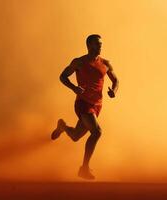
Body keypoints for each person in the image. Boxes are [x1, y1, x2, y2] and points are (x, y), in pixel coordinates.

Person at [51, 34, 119, 180]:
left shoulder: (106, 63)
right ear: (89, 45)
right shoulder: (79, 62)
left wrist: (114, 90)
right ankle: (84, 168)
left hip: (97, 105)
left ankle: (62, 127)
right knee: (97, 132)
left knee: (75, 136)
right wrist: (74, 88)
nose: (100, 46)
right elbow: (63, 76)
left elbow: (116, 80)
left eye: (101, 44)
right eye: (96, 44)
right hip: (82, 103)